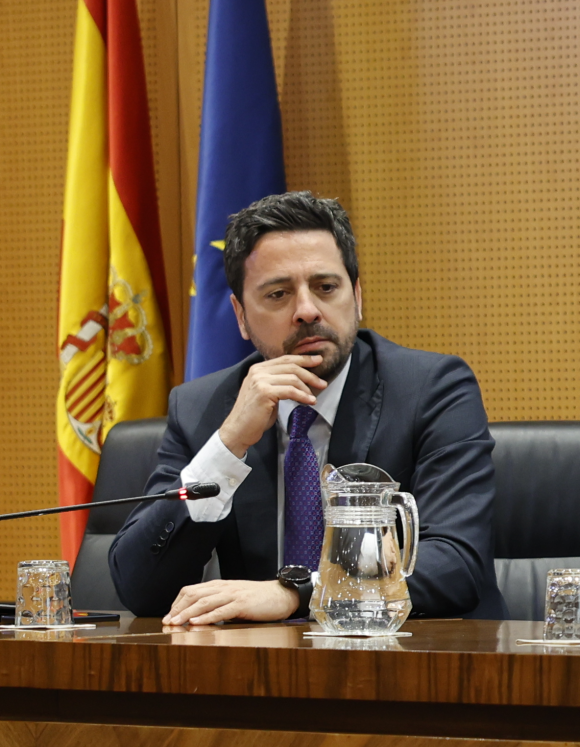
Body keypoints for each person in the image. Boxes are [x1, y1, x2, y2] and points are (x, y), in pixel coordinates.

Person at [110, 192, 502, 623]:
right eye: (278, 294)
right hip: (264, 661)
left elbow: (455, 565)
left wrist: (298, 593)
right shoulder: (202, 408)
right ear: (240, 316)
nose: (307, 311)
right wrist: (228, 445)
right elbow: (141, 588)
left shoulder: (431, 390)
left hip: (412, 655)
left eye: (326, 288)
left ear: (357, 295)